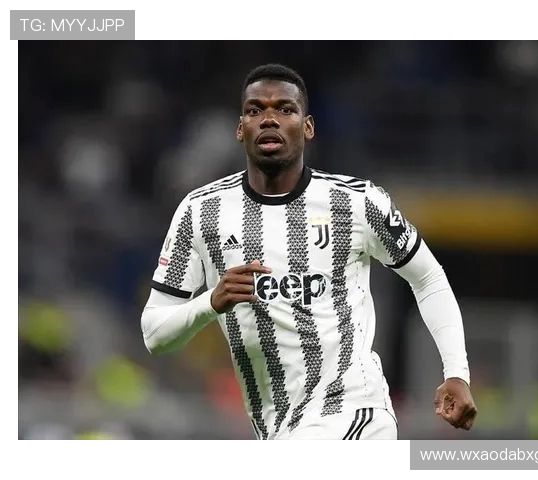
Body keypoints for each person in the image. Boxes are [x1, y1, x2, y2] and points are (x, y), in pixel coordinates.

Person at [141, 63, 477, 440]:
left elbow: (428, 277)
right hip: (278, 430)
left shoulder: (357, 202)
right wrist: (211, 302)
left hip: (356, 412)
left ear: (308, 127)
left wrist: (456, 372)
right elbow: (155, 334)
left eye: (285, 109)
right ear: (240, 129)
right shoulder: (201, 212)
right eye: (255, 110)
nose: (269, 119)